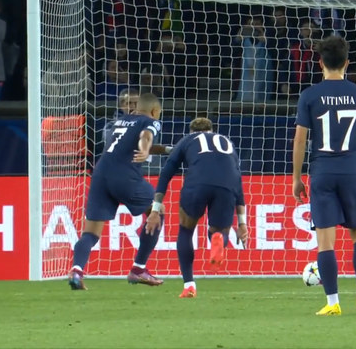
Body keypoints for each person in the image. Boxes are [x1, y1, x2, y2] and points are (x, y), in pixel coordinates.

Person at [292, 35, 356, 316]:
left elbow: (299, 140)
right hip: (351, 170)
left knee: (325, 241)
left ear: (320, 63)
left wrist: (297, 177)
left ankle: (332, 302)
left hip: (322, 171)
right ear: (347, 63)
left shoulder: (309, 95)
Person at [67, 93, 167, 290]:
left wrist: (163, 149)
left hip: (100, 175)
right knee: (158, 210)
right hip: (124, 176)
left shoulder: (120, 121)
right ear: (155, 111)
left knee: (91, 233)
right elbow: (145, 137)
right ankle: (139, 269)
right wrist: (145, 150)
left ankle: (77, 271)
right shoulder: (151, 121)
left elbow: (125, 145)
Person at [145, 117, 249, 298]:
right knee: (219, 230)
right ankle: (218, 238)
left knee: (186, 230)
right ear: (212, 130)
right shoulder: (227, 142)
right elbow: (237, 182)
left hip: (197, 184)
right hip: (227, 186)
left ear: (192, 131)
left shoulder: (187, 140)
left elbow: (166, 173)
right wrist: (242, 223)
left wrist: (155, 209)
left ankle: (189, 285)